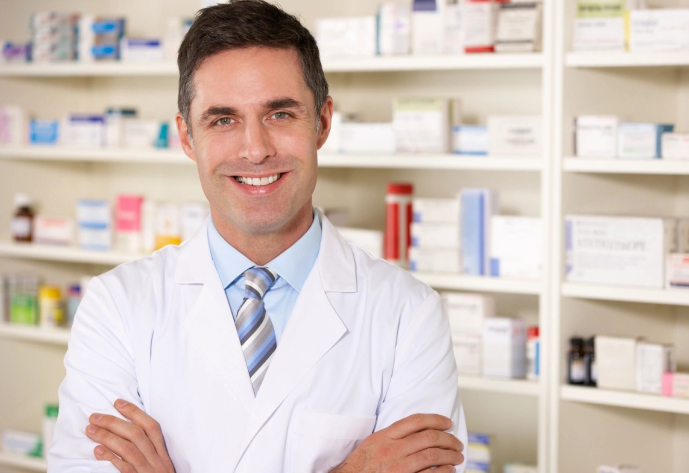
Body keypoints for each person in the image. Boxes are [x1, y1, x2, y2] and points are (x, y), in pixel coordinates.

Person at [47, 1, 467, 472]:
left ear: (323, 122)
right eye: (223, 119)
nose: (256, 150)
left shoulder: (408, 315)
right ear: (187, 136)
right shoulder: (117, 307)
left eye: (280, 114)